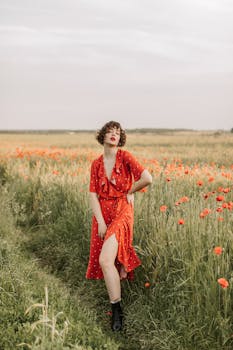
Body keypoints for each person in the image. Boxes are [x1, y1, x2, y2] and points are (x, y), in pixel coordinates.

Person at [86, 121, 152, 331]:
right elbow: (93, 196)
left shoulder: (125, 157)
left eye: (117, 132)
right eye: (110, 131)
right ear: (103, 136)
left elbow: (147, 178)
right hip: (103, 215)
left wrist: (130, 191)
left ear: (120, 138)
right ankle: (116, 306)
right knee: (107, 263)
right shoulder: (96, 164)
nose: (114, 134)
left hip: (122, 211)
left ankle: (117, 314)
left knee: (105, 258)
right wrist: (101, 223)